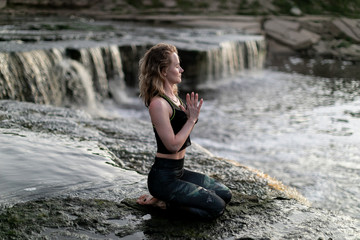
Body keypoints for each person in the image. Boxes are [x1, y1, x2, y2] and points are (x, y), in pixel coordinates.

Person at [136, 43, 231, 220]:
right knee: (216, 208)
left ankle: (165, 199)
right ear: (164, 71)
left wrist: (190, 119)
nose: (181, 69)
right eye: (177, 65)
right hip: (163, 179)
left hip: (178, 172)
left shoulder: (173, 97)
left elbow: (183, 131)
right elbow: (172, 145)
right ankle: (163, 202)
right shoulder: (158, 104)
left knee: (225, 194)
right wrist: (191, 119)